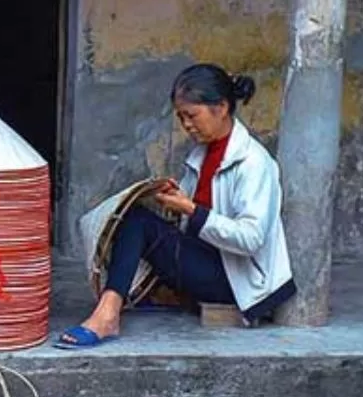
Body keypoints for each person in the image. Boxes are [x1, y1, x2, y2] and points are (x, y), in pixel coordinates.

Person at [56, 64, 295, 349]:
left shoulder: (254, 162)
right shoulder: (201, 153)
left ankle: (108, 314)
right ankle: (113, 305)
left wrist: (191, 210)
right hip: (209, 262)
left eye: (192, 116)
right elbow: (194, 218)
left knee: (139, 223)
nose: (187, 125)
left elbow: (251, 239)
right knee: (133, 218)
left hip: (238, 282)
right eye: (181, 118)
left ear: (221, 107)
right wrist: (175, 199)